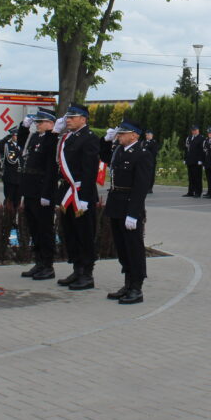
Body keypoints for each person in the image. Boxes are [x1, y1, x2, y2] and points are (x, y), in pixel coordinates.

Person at [103, 120, 153, 305]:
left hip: (130, 207)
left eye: (123, 133)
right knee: (122, 248)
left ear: (134, 135)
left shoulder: (142, 154)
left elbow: (141, 187)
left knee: (134, 248)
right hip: (116, 205)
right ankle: (127, 284)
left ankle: (136, 288)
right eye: (119, 133)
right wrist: (105, 141)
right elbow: (103, 157)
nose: (119, 136)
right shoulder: (118, 150)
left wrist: (133, 213)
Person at [55, 104, 101, 290]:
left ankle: (87, 274)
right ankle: (77, 269)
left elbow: (90, 171)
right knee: (70, 233)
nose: (68, 120)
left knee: (84, 234)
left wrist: (85, 198)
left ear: (83, 119)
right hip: (68, 192)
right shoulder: (68, 137)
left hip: (81, 193)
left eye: (72, 117)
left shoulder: (90, 138)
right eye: (67, 117)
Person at [20, 110, 59, 280]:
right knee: (34, 228)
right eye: (36, 122)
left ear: (51, 123)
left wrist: (47, 193)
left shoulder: (52, 140)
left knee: (45, 229)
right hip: (30, 188)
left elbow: (51, 169)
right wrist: (23, 127)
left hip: (42, 189)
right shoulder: (35, 137)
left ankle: (48, 265)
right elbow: (22, 143)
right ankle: (39, 262)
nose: (37, 124)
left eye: (40, 122)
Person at [1, 122, 26, 209]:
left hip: (19, 178)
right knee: (9, 199)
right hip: (10, 177)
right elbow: (11, 160)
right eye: (16, 135)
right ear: (12, 136)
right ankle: (8, 215)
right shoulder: (8, 145)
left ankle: (16, 215)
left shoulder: (22, 146)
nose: (17, 137)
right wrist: (19, 154)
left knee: (18, 200)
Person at [183, 125, 205, 198]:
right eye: (193, 130)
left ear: (198, 130)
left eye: (195, 130)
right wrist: (185, 158)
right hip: (190, 160)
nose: (194, 131)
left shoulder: (201, 138)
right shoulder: (189, 138)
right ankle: (191, 192)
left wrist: (200, 160)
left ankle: (198, 192)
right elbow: (186, 149)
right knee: (191, 177)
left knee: (197, 177)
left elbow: (202, 150)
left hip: (197, 161)